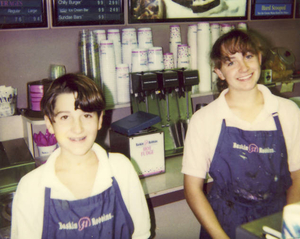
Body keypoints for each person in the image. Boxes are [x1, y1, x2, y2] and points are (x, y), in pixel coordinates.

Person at [182, 29, 300, 239]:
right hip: (223, 221)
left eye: (248, 56)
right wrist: (220, 237)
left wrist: (287, 228)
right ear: (219, 72)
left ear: (260, 58)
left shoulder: (288, 111)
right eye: (231, 62)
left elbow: (298, 176)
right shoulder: (204, 119)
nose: (243, 68)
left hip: (275, 219)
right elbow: (192, 189)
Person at [11, 73, 151, 239]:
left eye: (86, 116)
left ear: (100, 120)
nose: (77, 128)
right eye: (65, 117)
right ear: (49, 123)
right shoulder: (31, 188)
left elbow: (141, 234)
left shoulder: (121, 169)